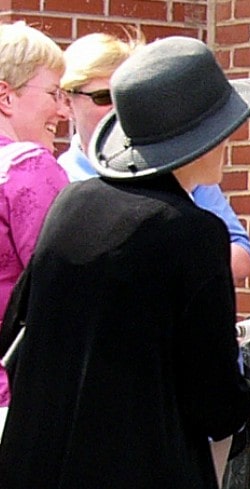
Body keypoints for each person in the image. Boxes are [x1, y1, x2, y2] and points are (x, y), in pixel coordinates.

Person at [0, 35, 250, 489]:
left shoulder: (71, 202)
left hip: (39, 459)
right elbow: (216, 401)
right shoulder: (194, 233)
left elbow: (15, 330)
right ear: (205, 139)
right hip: (142, 465)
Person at [59, 32, 250, 281]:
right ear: (66, 103)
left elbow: (237, 254)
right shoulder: (60, 181)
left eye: (130, 97)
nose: (119, 109)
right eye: (104, 98)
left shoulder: (181, 165)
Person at [0, 21, 69, 413]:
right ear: (6, 98)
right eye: (53, 93)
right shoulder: (28, 168)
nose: (62, 109)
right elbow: (64, 287)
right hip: (15, 398)